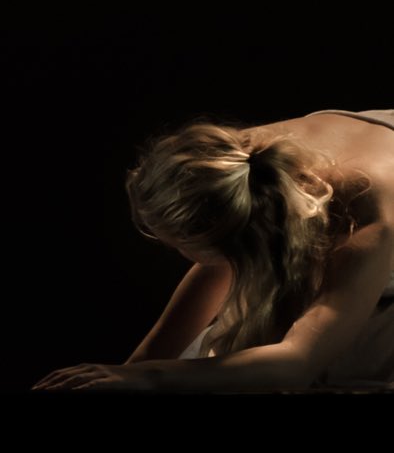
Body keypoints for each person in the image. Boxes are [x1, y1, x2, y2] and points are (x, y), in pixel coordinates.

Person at [36, 109, 394, 391]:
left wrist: (152, 377)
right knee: (222, 358)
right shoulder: (233, 163)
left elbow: (299, 362)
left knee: (342, 361)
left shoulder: (371, 212)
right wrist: (129, 369)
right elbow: (224, 254)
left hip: (381, 217)